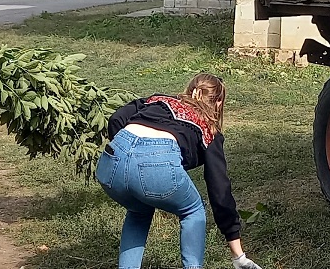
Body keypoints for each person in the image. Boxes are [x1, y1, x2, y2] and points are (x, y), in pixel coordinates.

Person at [99, 74, 263, 269]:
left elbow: (116, 118)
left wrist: (126, 154)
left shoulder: (156, 99)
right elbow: (220, 192)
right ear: (218, 103)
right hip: (155, 167)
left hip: (110, 164)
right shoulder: (210, 130)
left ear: (190, 90)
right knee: (194, 210)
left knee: (139, 210)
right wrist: (238, 254)